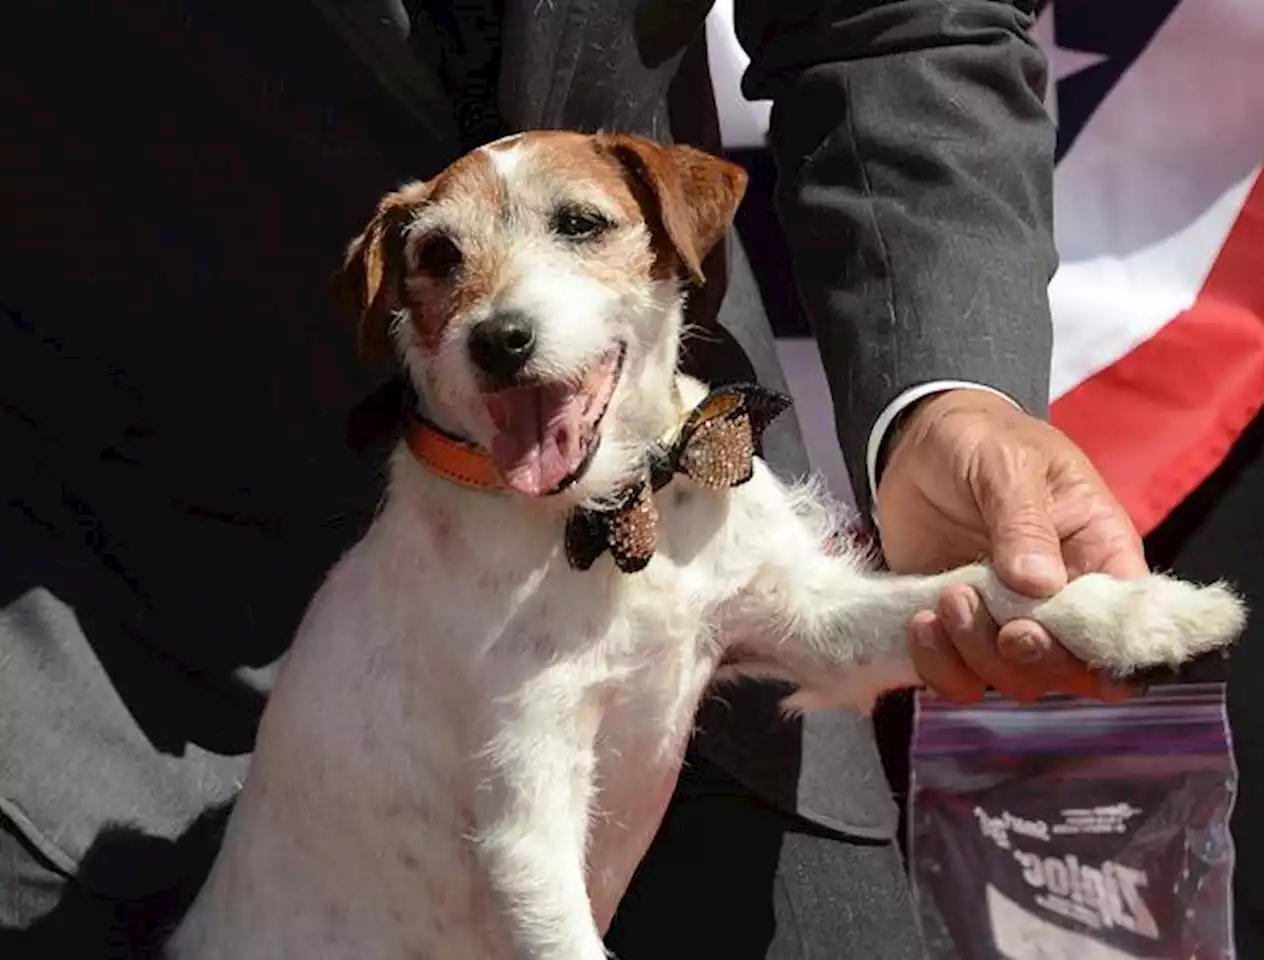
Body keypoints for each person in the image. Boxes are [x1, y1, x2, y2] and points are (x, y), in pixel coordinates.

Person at [0, 1, 1147, 956]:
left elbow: (892, 20)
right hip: (120, 617)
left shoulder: (701, 455)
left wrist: (941, 396)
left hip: (679, 532)